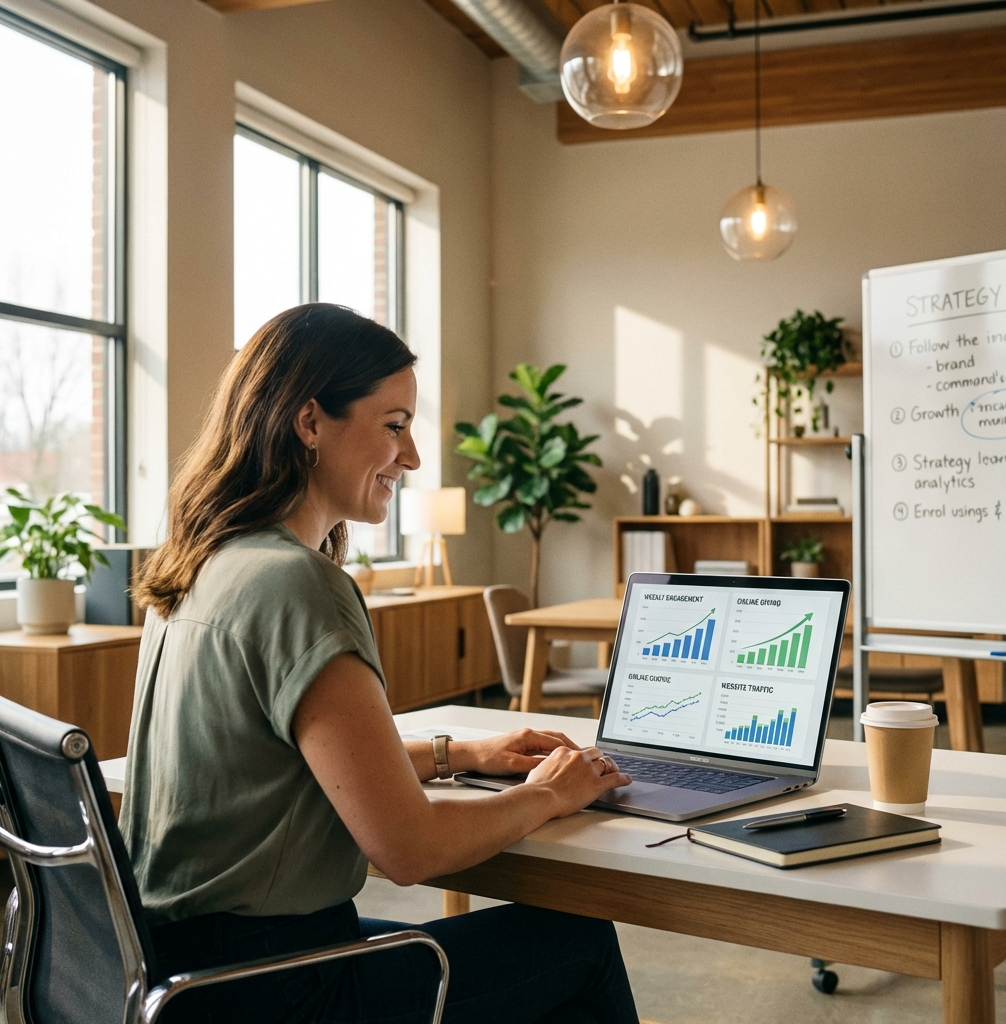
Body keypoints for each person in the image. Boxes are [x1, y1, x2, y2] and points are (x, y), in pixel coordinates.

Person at [122, 303, 640, 1024]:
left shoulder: (198, 566)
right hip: (282, 988)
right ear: (309, 422)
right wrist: (552, 792)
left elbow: (278, 770)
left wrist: (456, 751)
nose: (414, 455)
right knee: (575, 942)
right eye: (394, 425)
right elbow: (410, 849)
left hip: (181, 977)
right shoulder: (296, 583)